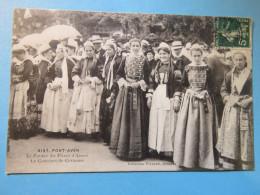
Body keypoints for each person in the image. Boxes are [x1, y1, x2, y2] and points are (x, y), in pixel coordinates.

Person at [173, 45, 218, 170]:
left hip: (204, 101)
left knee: (205, 129)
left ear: (202, 55)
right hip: (190, 101)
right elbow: (183, 85)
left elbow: (213, 86)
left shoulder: (208, 69)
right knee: (190, 128)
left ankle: (204, 161)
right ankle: (188, 159)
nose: (197, 58)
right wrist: (189, 91)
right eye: (195, 56)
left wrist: (205, 92)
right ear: (191, 56)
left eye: (199, 55)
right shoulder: (187, 68)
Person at [109, 38, 150, 160]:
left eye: (138, 46)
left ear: (140, 47)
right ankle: (123, 149)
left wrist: (139, 83)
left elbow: (148, 77)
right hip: (126, 91)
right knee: (125, 119)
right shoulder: (125, 59)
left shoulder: (144, 60)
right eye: (134, 46)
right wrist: (125, 83)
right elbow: (118, 75)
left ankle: (137, 151)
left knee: (137, 119)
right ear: (130, 47)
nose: (136, 48)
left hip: (138, 91)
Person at [216, 51, 254, 170]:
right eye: (236, 60)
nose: (238, 62)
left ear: (245, 60)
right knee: (231, 133)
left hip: (246, 108)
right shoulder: (229, 75)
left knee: (245, 134)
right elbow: (223, 90)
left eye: (240, 60)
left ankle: (245, 162)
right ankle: (230, 161)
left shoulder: (251, 75)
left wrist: (250, 100)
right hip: (232, 109)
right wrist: (227, 98)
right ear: (233, 61)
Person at [147, 43, 181, 161]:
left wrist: (177, 99)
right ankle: (156, 148)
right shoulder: (156, 67)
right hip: (158, 96)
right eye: (160, 54)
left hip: (168, 96)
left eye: (165, 54)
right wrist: (150, 96)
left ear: (169, 54)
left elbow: (178, 85)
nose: (162, 56)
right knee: (157, 121)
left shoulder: (175, 68)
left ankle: (167, 150)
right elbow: (151, 82)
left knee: (168, 122)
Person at [67, 41, 103, 141]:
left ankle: (92, 132)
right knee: (79, 108)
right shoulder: (81, 60)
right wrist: (77, 77)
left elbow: (101, 75)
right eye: (86, 50)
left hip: (91, 88)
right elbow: (74, 71)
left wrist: (91, 79)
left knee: (90, 109)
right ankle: (78, 131)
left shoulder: (98, 61)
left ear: (93, 51)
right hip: (81, 87)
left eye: (90, 50)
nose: (88, 52)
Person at [41, 44, 75, 137]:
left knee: (63, 108)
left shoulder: (69, 63)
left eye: (60, 52)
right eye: (56, 52)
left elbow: (71, 76)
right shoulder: (55, 62)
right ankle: (52, 129)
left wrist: (60, 84)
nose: (58, 54)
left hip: (65, 87)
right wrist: (49, 83)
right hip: (55, 84)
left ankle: (62, 130)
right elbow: (49, 74)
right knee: (52, 107)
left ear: (64, 52)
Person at [9, 45, 33, 139]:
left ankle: (22, 131)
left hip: (23, 85)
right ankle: (13, 130)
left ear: (23, 53)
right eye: (15, 55)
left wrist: (16, 79)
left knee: (21, 106)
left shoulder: (28, 62)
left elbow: (26, 75)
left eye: (18, 55)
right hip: (14, 86)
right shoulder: (14, 62)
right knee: (13, 106)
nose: (17, 57)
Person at [100, 40, 122, 145]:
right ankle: (105, 137)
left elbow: (119, 76)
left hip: (114, 88)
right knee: (105, 111)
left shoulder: (118, 61)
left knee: (112, 112)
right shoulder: (107, 60)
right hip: (106, 88)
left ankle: (112, 139)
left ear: (114, 50)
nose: (107, 51)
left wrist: (114, 89)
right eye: (106, 49)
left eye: (110, 49)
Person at [35, 44, 56, 130]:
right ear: (44, 53)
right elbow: (42, 76)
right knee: (42, 104)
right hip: (42, 86)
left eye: (52, 52)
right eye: (50, 52)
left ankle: (40, 125)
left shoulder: (45, 61)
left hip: (42, 84)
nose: (52, 54)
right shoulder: (44, 62)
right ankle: (40, 125)